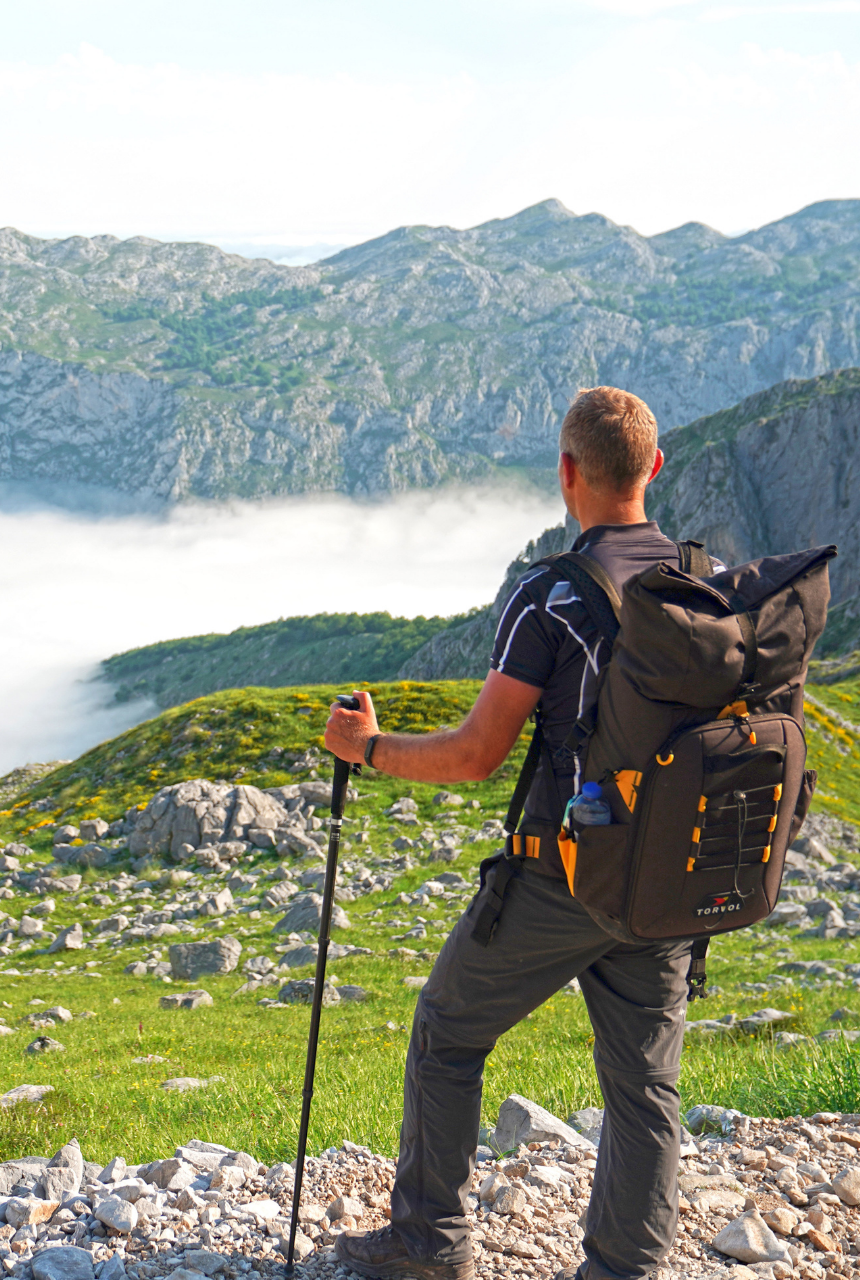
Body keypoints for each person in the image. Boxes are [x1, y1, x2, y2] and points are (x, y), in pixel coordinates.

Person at [322, 386, 697, 1280]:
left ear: (567, 475)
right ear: (652, 468)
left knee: (449, 1030)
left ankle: (428, 1245)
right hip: (667, 879)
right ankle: (623, 1270)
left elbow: (476, 754)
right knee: (644, 1087)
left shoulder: (550, 595)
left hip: (565, 875)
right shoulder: (701, 581)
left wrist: (368, 749)